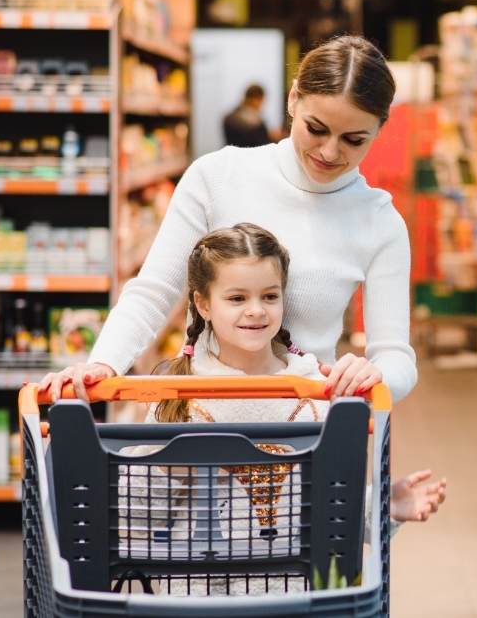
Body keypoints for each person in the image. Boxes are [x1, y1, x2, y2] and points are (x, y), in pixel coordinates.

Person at [40, 36, 416, 405]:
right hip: (203, 419)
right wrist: (101, 364)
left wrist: (377, 375)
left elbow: (397, 357)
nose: (329, 151)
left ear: (380, 129)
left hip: (303, 431)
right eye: (316, 128)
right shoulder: (217, 176)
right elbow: (154, 292)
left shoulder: (379, 221)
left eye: (354, 139)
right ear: (292, 99)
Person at [119, 224, 444, 595]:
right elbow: (136, 516)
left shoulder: (313, 395)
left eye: (269, 296)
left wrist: (382, 505)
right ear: (203, 304)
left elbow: (326, 509)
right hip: (198, 600)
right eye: (237, 298)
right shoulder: (178, 398)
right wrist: (169, 464)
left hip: (292, 599)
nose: (256, 311)